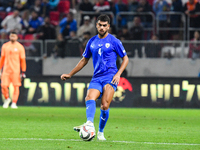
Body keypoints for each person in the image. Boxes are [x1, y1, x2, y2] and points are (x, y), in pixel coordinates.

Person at [60, 14, 129, 140]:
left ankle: (100, 132)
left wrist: (118, 74)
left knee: (104, 106)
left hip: (110, 77)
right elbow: (84, 60)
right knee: (89, 97)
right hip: (97, 77)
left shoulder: (114, 41)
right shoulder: (91, 42)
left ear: (108, 26)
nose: (102, 27)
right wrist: (70, 74)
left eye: (104, 25)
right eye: (100, 25)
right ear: (96, 25)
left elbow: (125, 58)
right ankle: (89, 124)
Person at [0, 32, 26, 109]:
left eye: (14, 36)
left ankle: (14, 102)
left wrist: (23, 71)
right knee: (4, 85)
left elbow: (22, 60)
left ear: (17, 37)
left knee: (16, 86)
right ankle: (7, 99)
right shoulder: (5, 46)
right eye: (11, 36)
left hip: (16, 70)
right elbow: (2, 58)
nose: (12, 37)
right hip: (6, 70)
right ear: (9, 37)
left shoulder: (20, 47)